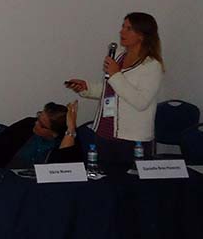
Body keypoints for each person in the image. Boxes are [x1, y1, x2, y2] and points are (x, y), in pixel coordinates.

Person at [65, 12, 164, 164]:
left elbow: (141, 102)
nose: (121, 31)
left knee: (128, 178)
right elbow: (111, 92)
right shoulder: (118, 56)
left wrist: (115, 74)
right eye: (123, 26)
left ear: (141, 35)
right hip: (104, 132)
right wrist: (86, 88)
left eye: (128, 28)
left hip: (132, 139)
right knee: (104, 176)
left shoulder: (151, 66)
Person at [0, 101, 82, 168]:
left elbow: (64, 169)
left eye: (41, 125)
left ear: (54, 133)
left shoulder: (67, 140)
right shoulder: (26, 125)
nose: (36, 123)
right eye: (38, 116)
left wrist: (71, 128)